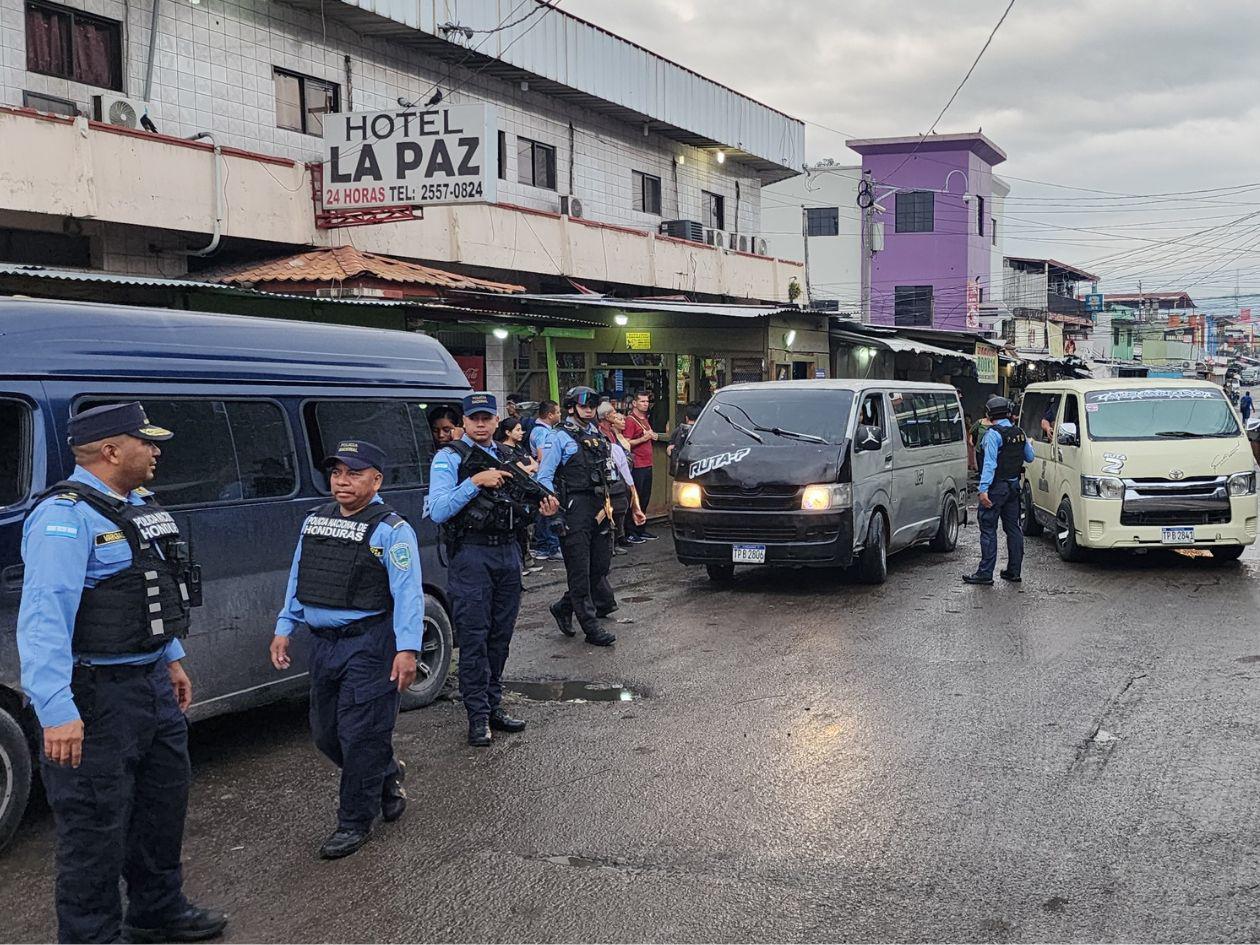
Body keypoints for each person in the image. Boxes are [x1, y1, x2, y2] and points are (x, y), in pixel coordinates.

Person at [17, 402, 226, 944]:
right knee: (94, 828)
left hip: (151, 684)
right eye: (146, 442)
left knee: (161, 809)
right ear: (112, 450)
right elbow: (43, 621)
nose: (156, 451)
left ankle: (157, 911)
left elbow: (149, 587)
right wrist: (57, 711)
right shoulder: (64, 518)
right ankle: (91, 936)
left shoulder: (135, 507)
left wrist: (171, 658)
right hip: (95, 697)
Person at [270, 440, 422, 860]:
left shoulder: (392, 529)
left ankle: (354, 821)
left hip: (369, 644)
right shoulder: (315, 520)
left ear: (377, 479)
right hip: (324, 645)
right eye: (337, 472)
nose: (342, 481)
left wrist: (407, 648)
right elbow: (300, 576)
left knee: (360, 735)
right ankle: (386, 772)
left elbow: (407, 593)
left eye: (354, 473)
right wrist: (286, 626)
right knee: (325, 734)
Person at [427, 394, 559, 747]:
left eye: (487, 417)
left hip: (507, 553)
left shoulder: (506, 456)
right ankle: (477, 717)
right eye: (474, 418)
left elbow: (518, 508)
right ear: (464, 423)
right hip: (471, 556)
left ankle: (494, 704)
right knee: (474, 637)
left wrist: (541, 511)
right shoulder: (449, 458)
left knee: (500, 637)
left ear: (496, 420)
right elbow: (438, 510)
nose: (481, 424)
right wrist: (475, 482)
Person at [538, 387, 618, 647]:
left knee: (600, 567)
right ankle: (590, 626)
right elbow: (544, 478)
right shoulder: (558, 437)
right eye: (583, 405)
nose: (588, 409)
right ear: (571, 407)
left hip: (598, 506)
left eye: (592, 405)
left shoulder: (596, 434)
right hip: (574, 507)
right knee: (579, 570)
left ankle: (564, 606)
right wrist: (555, 513)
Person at [963, 396, 1036, 586]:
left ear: (989, 414)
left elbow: (989, 464)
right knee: (1013, 529)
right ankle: (1014, 571)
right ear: (1008, 412)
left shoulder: (992, 434)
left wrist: (983, 489)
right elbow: (1030, 457)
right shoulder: (1019, 432)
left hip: (996, 488)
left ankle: (985, 573)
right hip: (1013, 488)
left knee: (988, 529)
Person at [597, 402, 647, 554]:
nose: (616, 414)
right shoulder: (600, 433)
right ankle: (609, 545)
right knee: (608, 511)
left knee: (620, 508)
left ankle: (617, 539)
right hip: (609, 477)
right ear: (606, 416)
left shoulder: (611, 431)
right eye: (613, 413)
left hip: (619, 477)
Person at [494, 417, 542, 576]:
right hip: (514, 495)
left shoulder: (520, 447)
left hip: (527, 494)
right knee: (518, 531)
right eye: (518, 430)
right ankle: (520, 563)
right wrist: (530, 467)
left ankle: (526, 560)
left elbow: (535, 464)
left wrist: (531, 466)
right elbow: (522, 472)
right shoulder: (503, 450)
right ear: (507, 432)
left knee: (527, 530)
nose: (522, 433)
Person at [622, 390, 660, 540]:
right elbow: (626, 442)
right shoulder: (631, 420)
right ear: (634, 403)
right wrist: (644, 439)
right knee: (635, 499)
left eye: (647, 401)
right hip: (637, 465)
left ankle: (641, 528)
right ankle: (631, 531)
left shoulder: (644, 419)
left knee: (644, 498)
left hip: (647, 464)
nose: (645, 404)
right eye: (642, 401)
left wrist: (653, 436)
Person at [528, 399, 562, 561]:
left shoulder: (544, 430)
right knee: (548, 510)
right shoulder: (542, 432)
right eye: (558, 412)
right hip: (543, 477)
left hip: (542, 476)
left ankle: (545, 544)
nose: (560, 415)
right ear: (550, 415)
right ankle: (550, 546)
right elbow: (542, 455)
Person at [667, 402, 701, 477]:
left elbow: (669, 451)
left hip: (681, 471)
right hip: (699, 470)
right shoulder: (704, 432)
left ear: (686, 417)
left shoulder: (679, 431)